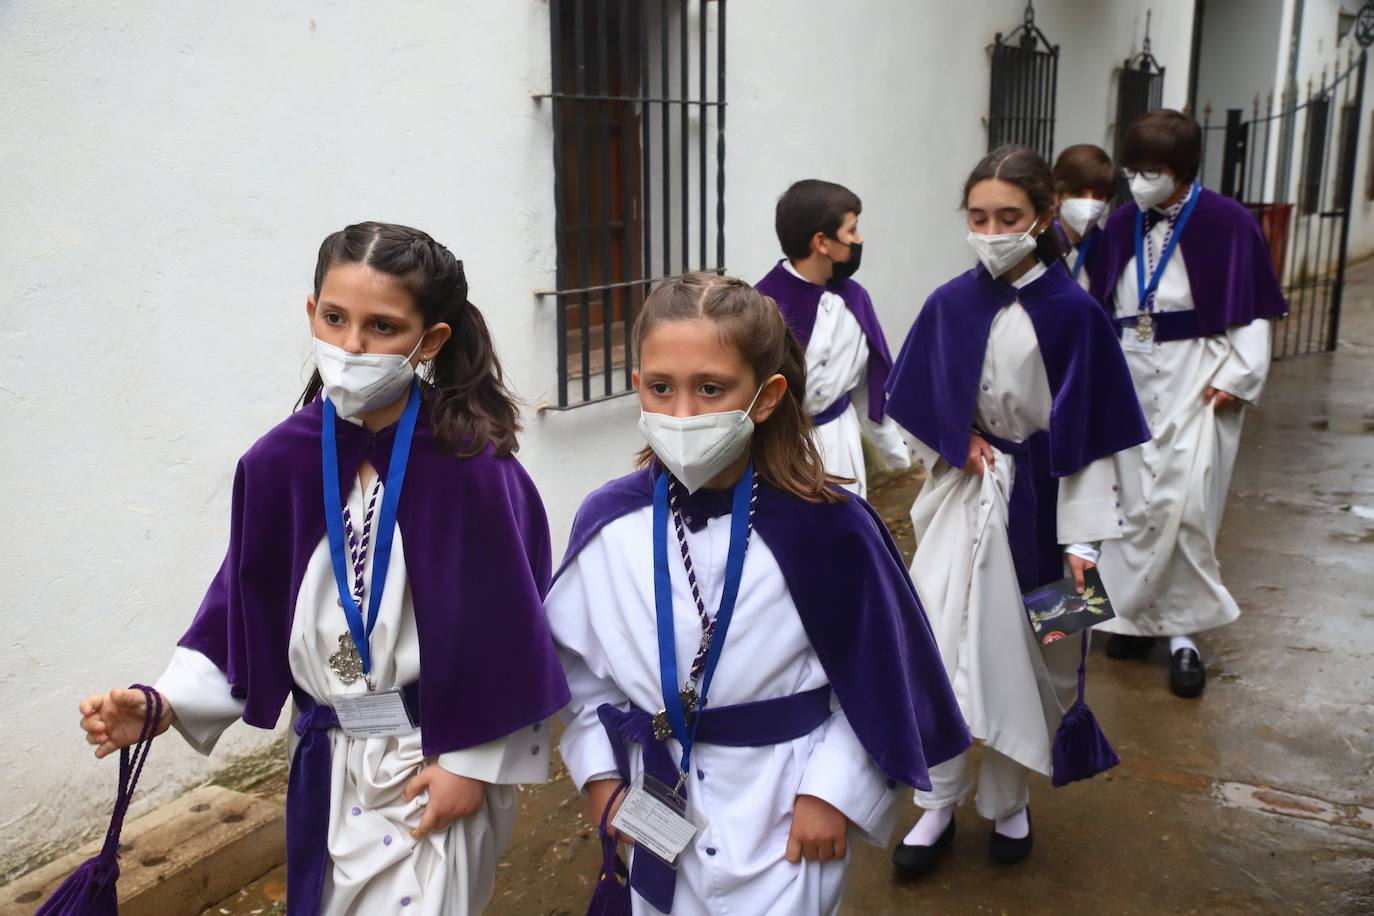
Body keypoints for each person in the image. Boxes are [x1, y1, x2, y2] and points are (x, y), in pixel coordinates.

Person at [77, 222, 571, 915]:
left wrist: (473, 764)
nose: (352, 346)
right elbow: (243, 611)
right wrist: (161, 705)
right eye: (335, 319)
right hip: (326, 762)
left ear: (429, 341)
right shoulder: (279, 461)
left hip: (430, 758)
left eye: (382, 326)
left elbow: (512, 633)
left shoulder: (473, 469)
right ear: (311, 313)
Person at [547, 272, 970, 915]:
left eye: (711, 389)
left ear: (766, 396)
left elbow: (878, 675)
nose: (682, 413)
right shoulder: (607, 521)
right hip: (651, 806)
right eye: (661, 388)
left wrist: (833, 792)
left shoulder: (831, 525)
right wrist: (601, 785)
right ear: (638, 387)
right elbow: (582, 681)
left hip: (786, 816)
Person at [885, 146, 1150, 876]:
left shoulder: (1078, 315)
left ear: (1040, 217)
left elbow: (1096, 439)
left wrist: (1086, 545)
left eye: (1009, 216)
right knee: (942, 645)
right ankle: (936, 800)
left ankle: (1010, 800)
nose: (992, 228)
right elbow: (912, 401)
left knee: (1051, 661)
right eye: (979, 216)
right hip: (965, 501)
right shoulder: (949, 302)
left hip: (1058, 511)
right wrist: (956, 436)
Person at [1087, 109, 1287, 698]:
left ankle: (1184, 640)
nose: (1139, 180)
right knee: (1126, 511)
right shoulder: (1121, 222)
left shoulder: (1228, 222)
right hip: (1127, 375)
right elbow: (1094, 301)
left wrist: (1240, 376)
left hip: (1198, 378)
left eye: (1151, 170)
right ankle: (1131, 621)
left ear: (1180, 171)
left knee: (1187, 509)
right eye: (1133, 169)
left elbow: (1252, 310)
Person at [754, 179, 910, 498]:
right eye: (852, 231)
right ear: (822, 242)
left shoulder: (855, 300)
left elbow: (870, 390)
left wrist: (901, 457)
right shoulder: (763, 306)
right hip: (781, 453)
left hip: (842, 447)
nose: (859, 239)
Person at [1052, 143, 1116, 291]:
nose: (1088, 202)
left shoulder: (1109, 250)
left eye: (1098, 196)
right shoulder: (1037, 245)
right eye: (1078, 194)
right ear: (1058, 196)